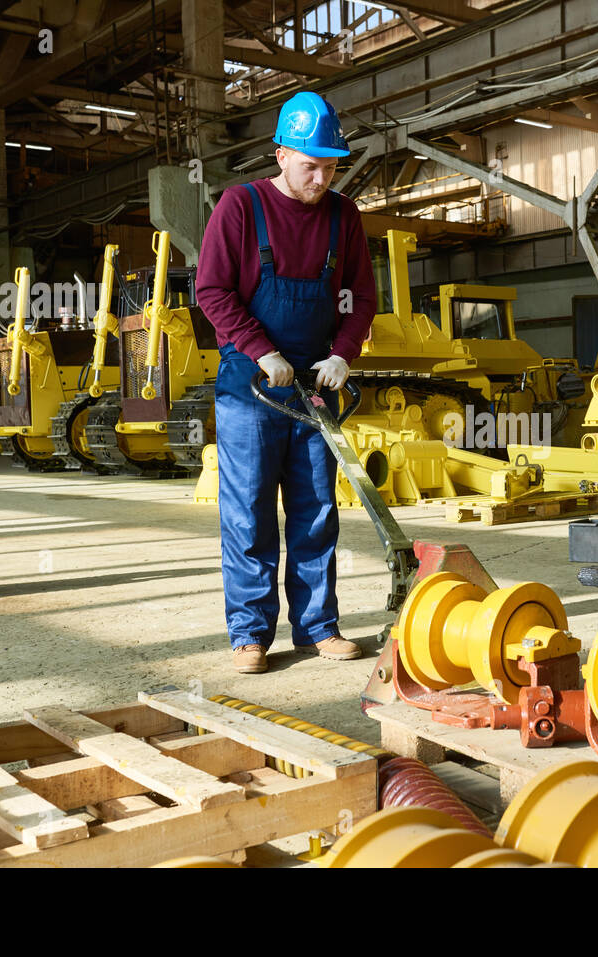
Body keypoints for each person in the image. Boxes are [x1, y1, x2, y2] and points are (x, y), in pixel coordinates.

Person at [197, 92, 376, 674]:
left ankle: (318, 628)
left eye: (331, 166)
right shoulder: (240, 206)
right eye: (310, 165)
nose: (322, 177)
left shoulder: (343, 216)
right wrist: (260, 350)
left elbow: (361, 298)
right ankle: (250, 635)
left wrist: (345, 354)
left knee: (317, 510)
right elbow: (212, 291)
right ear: (281, 155)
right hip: (250, 385)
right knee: (248, 514)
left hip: (315, 388)